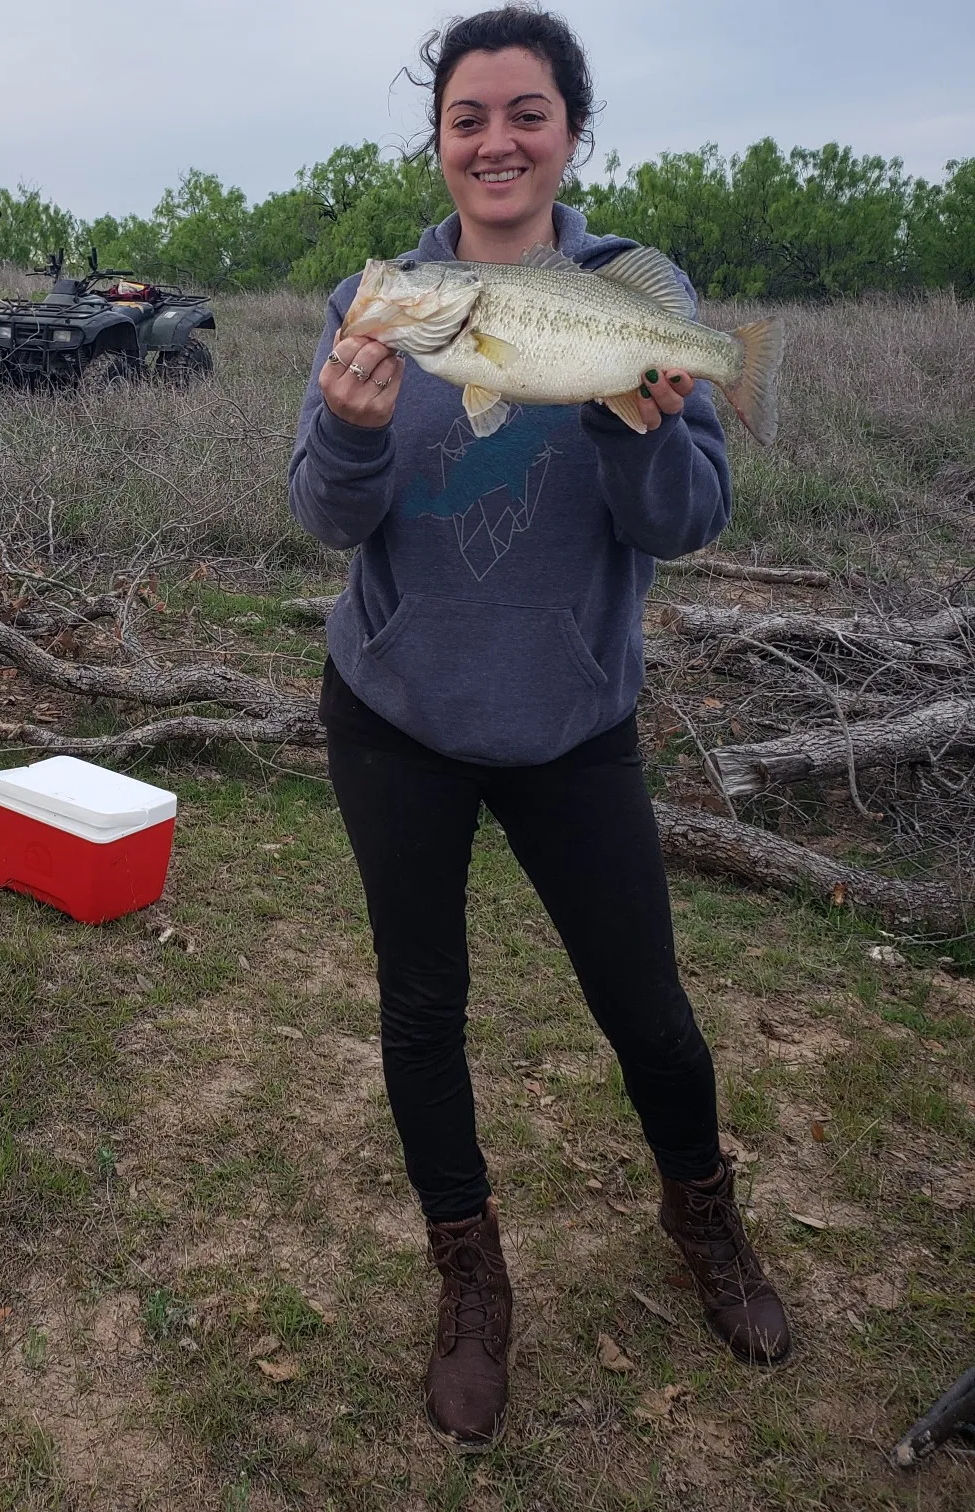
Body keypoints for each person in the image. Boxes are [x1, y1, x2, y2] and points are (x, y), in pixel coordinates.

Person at [288, 5, 792, 1456]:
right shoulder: (379, 299)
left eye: (526, 113)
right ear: (438, 145)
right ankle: (470, 1282)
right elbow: (326, 515)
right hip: (396, 719)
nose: (495, 140)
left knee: (649, 1010)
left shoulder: (636, 292)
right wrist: (352, 424)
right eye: (467, 118)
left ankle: (704, 1219)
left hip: (573, 719)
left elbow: (688, 525)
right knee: (422, 1011)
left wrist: (649, 428)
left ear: (569, 132)